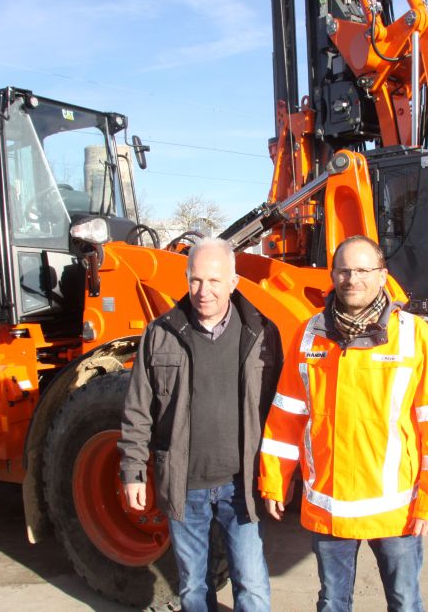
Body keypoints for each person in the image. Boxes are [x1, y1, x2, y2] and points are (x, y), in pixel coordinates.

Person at [258, 235, 428, 612]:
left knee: (405, 602)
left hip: (396, 510)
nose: (353, 279)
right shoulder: (309, 334)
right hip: (330, 505)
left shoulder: (415, 335)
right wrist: (273, 480)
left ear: (383, 276)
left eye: (364, 270)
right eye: (345, 270)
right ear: (333, 276)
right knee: (333, 602)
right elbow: (286, 415)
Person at [119, 237, 282, 612]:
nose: (203, 291)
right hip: (185, 485)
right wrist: (132, 474)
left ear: (233, 282)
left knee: (252, 586)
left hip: (241, 486)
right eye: (195, 280)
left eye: (213, 281)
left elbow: (279, 412)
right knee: (193, 587)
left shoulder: (261, 334)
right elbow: (137, 410)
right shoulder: (160, 334)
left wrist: (278, 476)